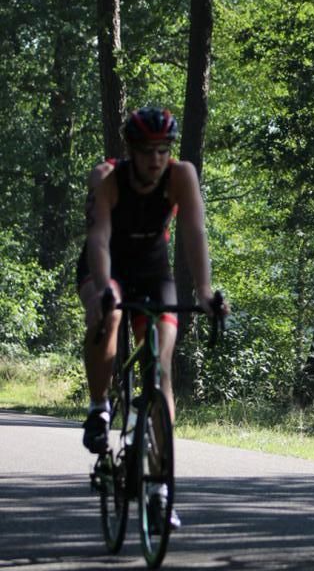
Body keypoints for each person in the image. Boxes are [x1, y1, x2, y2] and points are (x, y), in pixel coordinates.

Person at [78, 107, 223, 526]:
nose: (156, 159)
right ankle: (100, 406)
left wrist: (205, 291)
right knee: (110, 313)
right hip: (104, 265)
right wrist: (104, 288)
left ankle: (160, 488)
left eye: (163, 150)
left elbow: (195, 233)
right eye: (147, 151)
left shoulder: (182, 176)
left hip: (153, 269)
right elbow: (99, 237)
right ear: (131, 152)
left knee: (161, 371)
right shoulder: (106, 177)